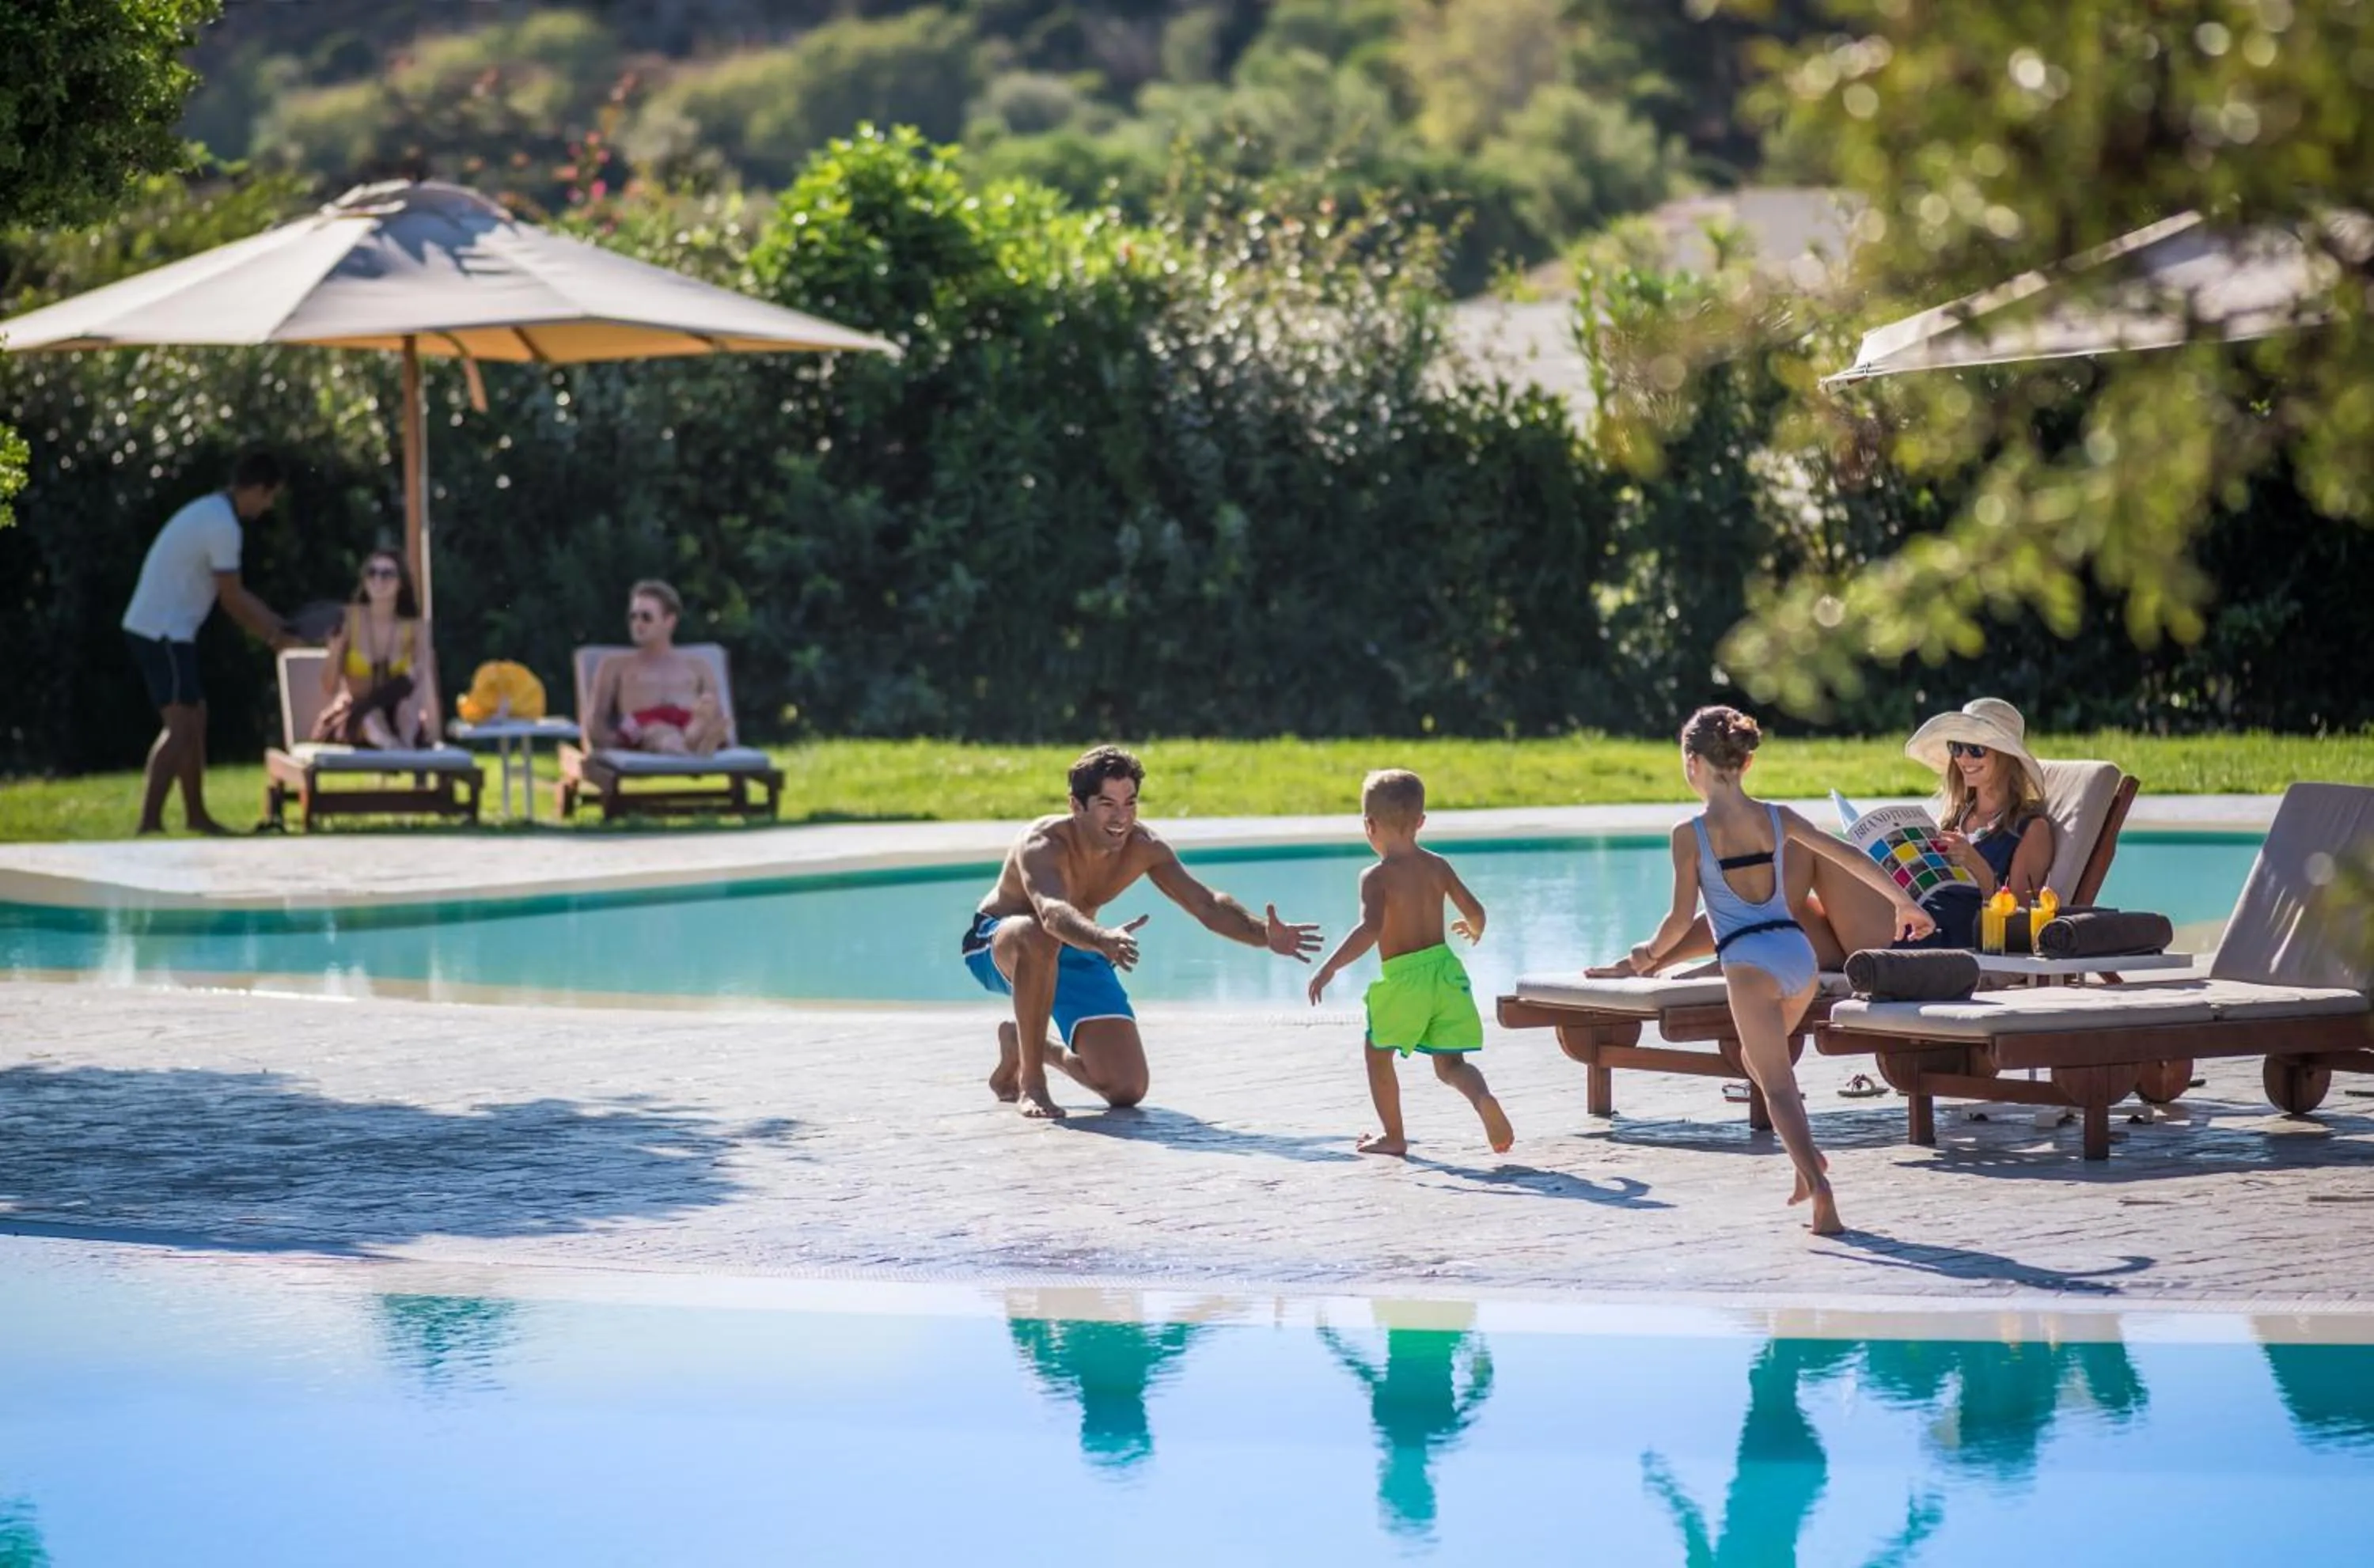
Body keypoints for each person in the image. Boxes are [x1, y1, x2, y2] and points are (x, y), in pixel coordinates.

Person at [1618, 707, 1934, 1236]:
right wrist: (1905, 904)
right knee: (1757, 1061)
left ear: (1693, 763)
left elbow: (1678, 921)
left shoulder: (1690, 834)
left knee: (1778, 1086)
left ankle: (1822, 1189)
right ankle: (1804, 1168)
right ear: (1743, 763)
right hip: (1797, 956)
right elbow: (1850, 858)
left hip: (1748, 965)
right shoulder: (1778, 818)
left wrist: (1645, 956)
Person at [963, 744, 1324, 1119]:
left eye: (1130, 804)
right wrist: (1102, 938)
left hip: (1080, 944)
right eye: (1107, 804)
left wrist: (1264, 933)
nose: (1121, 818)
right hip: (1000, 945)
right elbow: (1052, 914)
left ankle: (1024, 1045)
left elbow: (1206, 904)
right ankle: (1032, 1085)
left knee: (1126, 1088)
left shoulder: (1143, 847)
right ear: (1076, 805)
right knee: (1035, 934)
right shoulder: (1042, 843)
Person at [1592, 695, 2057, 971]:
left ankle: (1694, 956)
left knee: (1800, 849)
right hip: (1896, 923)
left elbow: (2015, 923)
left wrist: (1975, 865)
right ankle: (1661, 962)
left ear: (2005, 758)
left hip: (1941, 941)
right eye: (1958, 747)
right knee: (1791, 909)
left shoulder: (2030, 829)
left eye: (1978, 749)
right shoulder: (1956, 817)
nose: (1965, 758)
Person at [1306, 769, 1512, 1156]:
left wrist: (1330, 966)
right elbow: (1476, 911)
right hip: (1446, 973)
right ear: (1420, 822)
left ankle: (1394, 1136)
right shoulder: (1438, 866)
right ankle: (1482, 1097)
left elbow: (1369, 930)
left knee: (1377, 1053)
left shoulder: (1375, 877)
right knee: (1450, 1065)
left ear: (1369, 825)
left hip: (1405, 978)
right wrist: (1475, 930)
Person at [119, 450, 298, 835]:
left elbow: (234, 596)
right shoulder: (223, 526)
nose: (268, 507)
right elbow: (231, 597)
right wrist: (274, 636)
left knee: (195, 719)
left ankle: (197, 816)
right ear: (255, 489)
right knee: (181, 727)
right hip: (162, 631)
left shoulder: (212, 512)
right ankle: (148, 824)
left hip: (170, 632)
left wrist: (278, 626)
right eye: (269, 497)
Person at [313, 548, 441, 749]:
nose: (378, 580)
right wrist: (335, 648)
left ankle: (402, 747)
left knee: (407, 712)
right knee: (371, 718)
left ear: (401, 583)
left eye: (387, 574)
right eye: (371, 573)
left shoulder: (415, 627)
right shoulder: (348, 620)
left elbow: (425, 683)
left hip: (399, 714)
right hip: (358, 714)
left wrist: (430, 726)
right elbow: (329, 687)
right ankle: (392, 748)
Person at [585, 580, 727, 756]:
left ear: (669, 621)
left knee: (706, 707)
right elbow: (596, 718)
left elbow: (719, 715)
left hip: (686, 720)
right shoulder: (614, 664)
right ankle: (692, 746)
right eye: (633, 616)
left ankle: (695, 737)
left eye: (646, 617)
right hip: (642, 726)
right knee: (659, 732)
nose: (637, 623)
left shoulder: (698, 665)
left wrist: (708, 716)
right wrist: (611, 744)